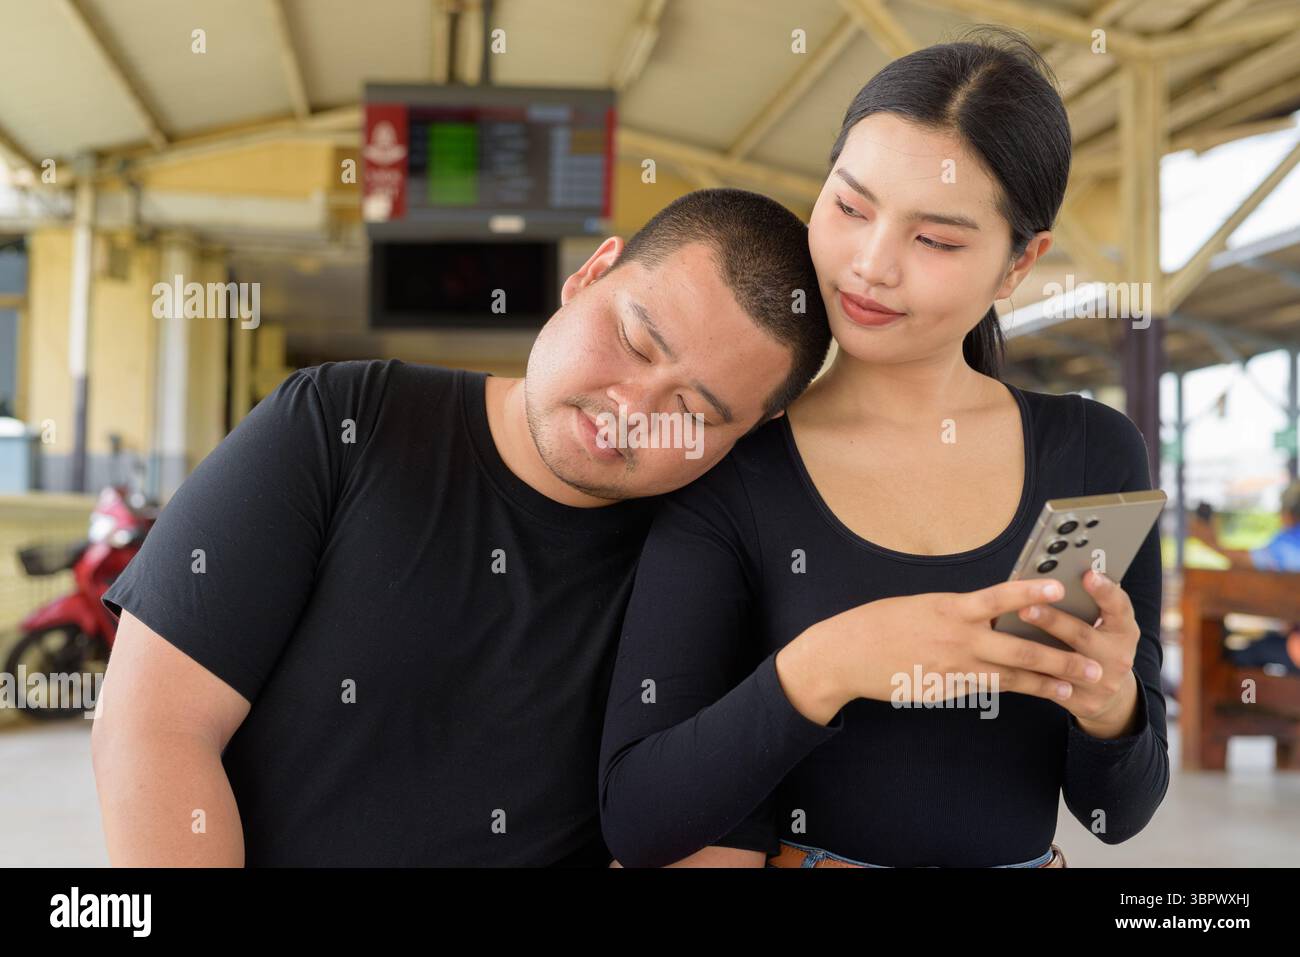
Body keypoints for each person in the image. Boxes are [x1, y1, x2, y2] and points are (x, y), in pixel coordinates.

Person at [91, 188, 836, 866]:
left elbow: (704, 845)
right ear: (592, 273)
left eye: (695, 414)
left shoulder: (717, 569)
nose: (632, 408)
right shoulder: (343, 423)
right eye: (637, 342)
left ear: (754, 430)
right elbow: (155, 728)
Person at [598, 28, 1170, 869]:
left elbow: (1115, 816)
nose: (870, 265)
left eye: (934, 240)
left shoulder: (1092, 454)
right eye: (850, 207)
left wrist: (1110, 700)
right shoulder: (732, 468)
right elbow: (641, 815)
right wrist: (826, 666)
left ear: (1020, 264)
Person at [1188, 480, 1300, 674]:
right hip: (1292, 638)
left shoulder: (1287, 543)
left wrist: (1209, 540)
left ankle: (1250, 699)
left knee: (1238, 657)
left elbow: (1243, 562)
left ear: (1288, 513)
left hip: (1296, 647)